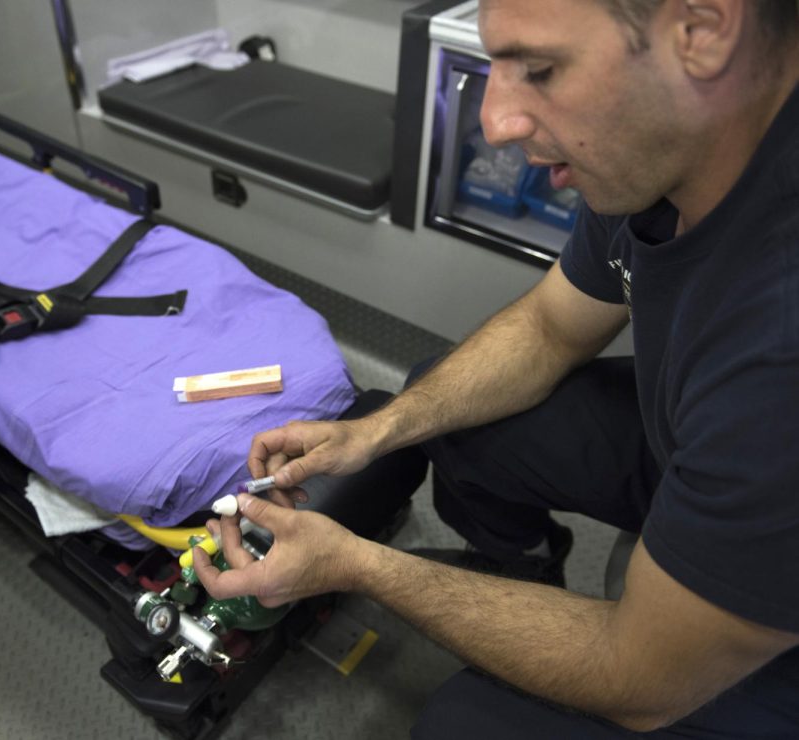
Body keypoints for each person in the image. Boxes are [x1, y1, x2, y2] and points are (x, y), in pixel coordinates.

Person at [193, 0, 799, 736]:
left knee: (461, 723)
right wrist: (376, 434)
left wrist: (357, 567)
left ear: (702, 29)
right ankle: (531, 576)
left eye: (539, 69)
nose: (496, 121)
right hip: (706, 443)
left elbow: (639, 676)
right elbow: (549, 328)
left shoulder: (779, 341)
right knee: (436, 406)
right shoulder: (665, 148)